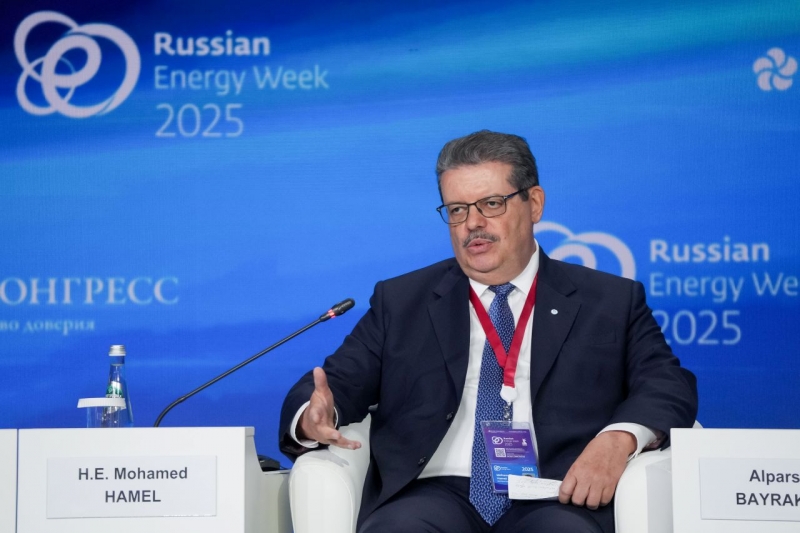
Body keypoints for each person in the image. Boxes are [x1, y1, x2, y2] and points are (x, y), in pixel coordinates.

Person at [279, 130, 698, 533]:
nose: (472, 223)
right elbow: (337, 383)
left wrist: (619, 439)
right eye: (457, 209)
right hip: (432, 492)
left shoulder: (609, 300)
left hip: (556, 491)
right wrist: (314, 416)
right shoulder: (402, 300)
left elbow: (667, 384)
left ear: (534, 204)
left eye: (492, 204)